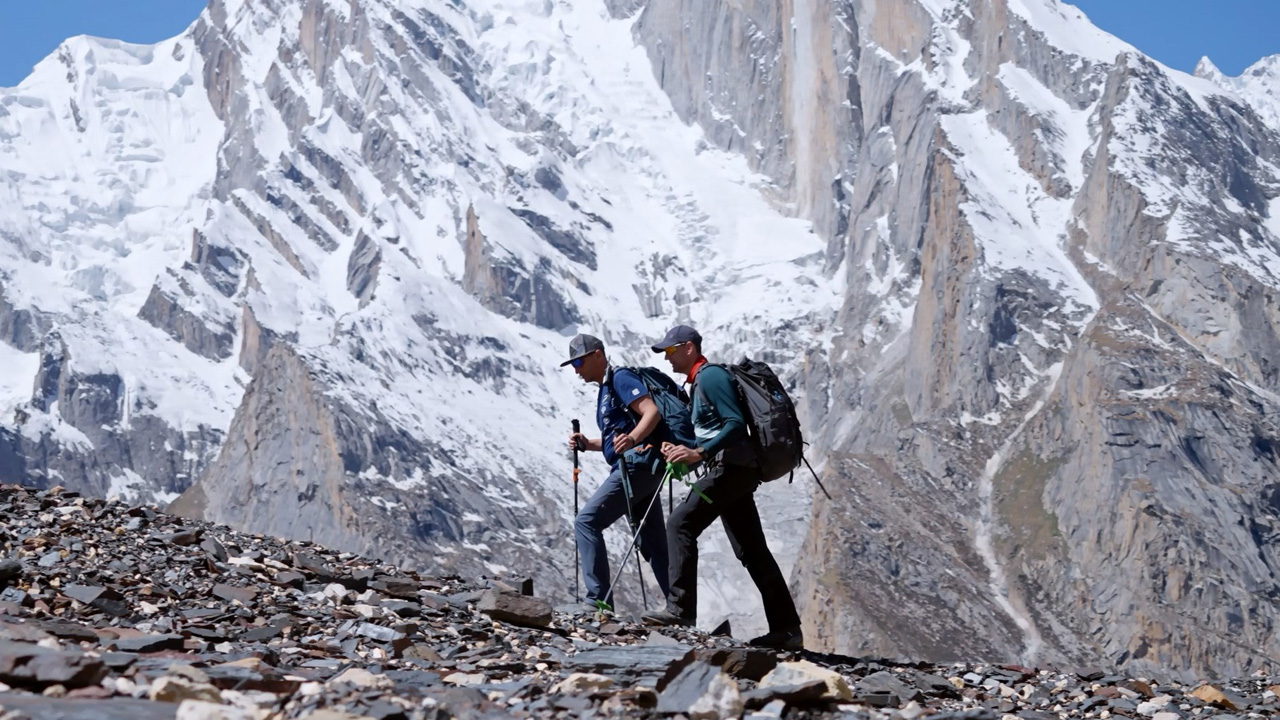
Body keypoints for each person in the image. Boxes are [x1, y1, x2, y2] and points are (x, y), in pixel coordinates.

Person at [640, 325, 804, 650]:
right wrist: (680, 453)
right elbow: (714, 431)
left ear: (688, 348)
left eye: (671, 351)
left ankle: (680, 610)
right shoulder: (700, 382)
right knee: (752, 551)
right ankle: (787, 630)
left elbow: (733, 424)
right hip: (734, 469)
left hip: (732, 468)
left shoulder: (711, 377)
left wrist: (699, 452)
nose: (667, 358)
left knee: (680, 524)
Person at [562, 333, 670, 609]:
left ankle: (597, 600)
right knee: (654, 542)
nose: (576, 371)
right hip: (638, 467)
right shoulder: (606, 388)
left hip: (635, 468)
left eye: (579, 363)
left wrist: (633, 439)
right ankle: (679, 605)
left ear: (597, 355)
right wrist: (588, 444)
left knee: (586, 522)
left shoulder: (620, 379)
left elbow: (651, 412)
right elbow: (615, 441)